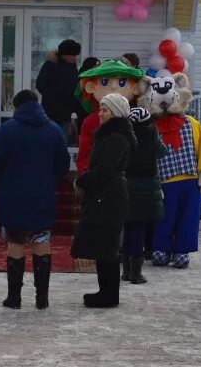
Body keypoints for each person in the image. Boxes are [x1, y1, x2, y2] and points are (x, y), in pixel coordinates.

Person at [0, 90, 70, 310]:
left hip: (12, 195)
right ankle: (42, 298)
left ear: (16, 107)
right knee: (41, 242)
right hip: (42, 195)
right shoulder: (54, 130)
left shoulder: (7, 130)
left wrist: (1, 179)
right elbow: (63, 163)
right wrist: (49, 180)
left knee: (15, 243)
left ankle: (14, 297)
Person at [71, 93, 133, 308]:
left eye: (105, 109)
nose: (101, 113)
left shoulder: (116, 138)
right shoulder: (111, 135)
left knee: (107, 247)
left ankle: (109, 295)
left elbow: (104, 170)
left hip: (109, 196)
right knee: (103, 246)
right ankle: (105, 292)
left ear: (115, 112)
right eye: (101, 108)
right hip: (105, 195)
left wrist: (83, 179)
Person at [121, 107, 167, 285]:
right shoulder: (152, 135)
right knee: (139, 231)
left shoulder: (125, 136)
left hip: (126, 186)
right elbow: (163, 153)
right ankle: (136, 273)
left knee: (127, 228)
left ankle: (125, 270)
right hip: (147, 188)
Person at [35, 39, 82, 128]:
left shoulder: (73, 69)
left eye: (75, 55)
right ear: (63, 54)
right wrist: (52, 99)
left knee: (63, 140)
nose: (74, 57)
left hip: (66, 115)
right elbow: (40, 84)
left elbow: (75, 88)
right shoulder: (50, 65)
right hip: (50, 113)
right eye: (72, 55)